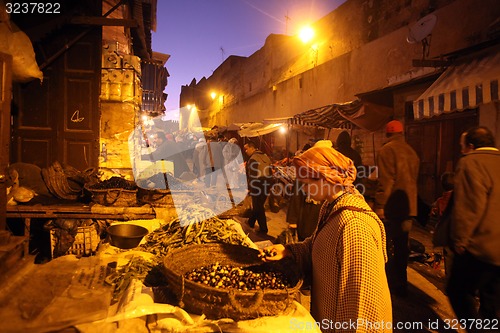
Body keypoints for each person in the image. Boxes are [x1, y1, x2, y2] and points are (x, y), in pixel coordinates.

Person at [260, 145, 392, 331]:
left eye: (305, 184)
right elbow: (318, 244)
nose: (303, 190)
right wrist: (288, 250)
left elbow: (363, 303)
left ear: (325, 178)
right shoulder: (330, 206)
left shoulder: (354, 225)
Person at [447, 126, 500, 326]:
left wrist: (460, 239)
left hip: (480, 247)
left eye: (462, 147)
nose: (461, 151)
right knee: (491, 300)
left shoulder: (470, 163)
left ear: (470, 146)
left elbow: (469, 206)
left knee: (457, 291)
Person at [374, 119, 420, 297]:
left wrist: (380, 205)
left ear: (387, 133)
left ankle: (389, 283)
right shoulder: (411, 151)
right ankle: (401, 282)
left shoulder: (387, 150)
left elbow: (386, 180)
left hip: (392, 206)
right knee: (402, 246)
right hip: (409, 207)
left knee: (387, 246)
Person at [286, 142, 322, 241]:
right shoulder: (304, 173)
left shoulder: (330, 178)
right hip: (306, 222)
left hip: (322, 227)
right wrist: (293, 221)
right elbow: (296, 198)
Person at [429, 171, 455, 281]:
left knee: (448, 254)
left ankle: (450, 280)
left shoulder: (440, 201)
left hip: (446, 232)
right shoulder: (458, 198)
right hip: (457, 230)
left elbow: (433, 212)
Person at [244, 141, 272, 234]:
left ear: (252, 148)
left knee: (258, 206)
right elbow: (270, 172)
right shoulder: (265, 156)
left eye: (247, 149)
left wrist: (249, 188)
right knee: (258, 205)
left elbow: (253, 176)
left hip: (257, 184)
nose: (246, 151)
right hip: (267, 183)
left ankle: (263, 229)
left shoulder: (253, 159)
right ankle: (251, 222)